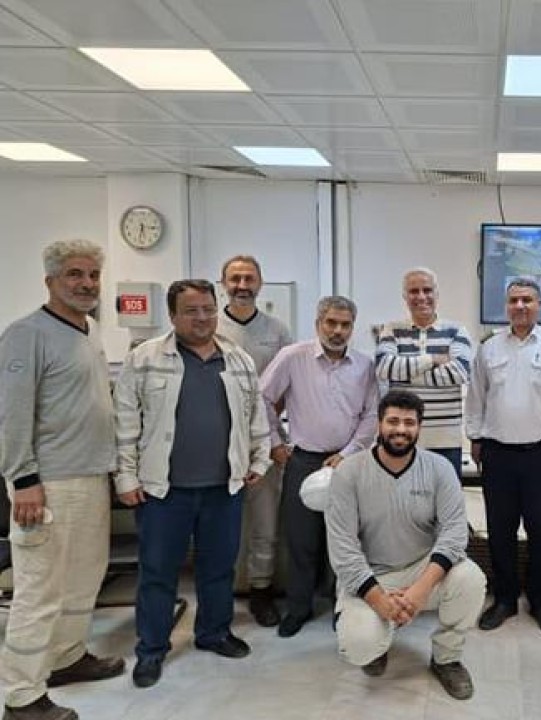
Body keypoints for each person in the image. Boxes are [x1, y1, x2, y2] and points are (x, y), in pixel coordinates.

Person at [114, 279, 270, 689]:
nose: (202, 318)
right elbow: (125, 424)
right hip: (163, 491)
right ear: (172, 315)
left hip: (224, 487)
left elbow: (256, 417)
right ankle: (151, 649)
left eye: (208, 309)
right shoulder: (144, 358)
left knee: (218, 568)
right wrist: (125, 477)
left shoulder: (238, 359)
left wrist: (260, 459)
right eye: (191, 311)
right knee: (158, 572)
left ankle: (214, 632)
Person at [0, 240, 123, 720]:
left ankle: (66, 659)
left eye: (93, 275)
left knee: (83, 579)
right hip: (47, 484)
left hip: (90, 476)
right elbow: (10, 414)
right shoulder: (26, 334)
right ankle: (21, 696)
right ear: (50, 280)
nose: (86, 284)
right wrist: (23, 479)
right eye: (74, 274)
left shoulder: (89, 330)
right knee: (39, 590)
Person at [325, 390, 486, 700]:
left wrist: (420, 590)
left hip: (422, 570)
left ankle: (447, 658)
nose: (400, 429)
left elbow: (454, 534)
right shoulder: (349, 472)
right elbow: (343, 549)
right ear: (379, 424)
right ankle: (378, 640)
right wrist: (378, 599)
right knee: (359, 647)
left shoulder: (439, 468)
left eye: (409, 423)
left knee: (471, 578)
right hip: (370, 574)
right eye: (393, 421)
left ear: (419, 427)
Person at [466, 277, 541, 636]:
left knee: (540, 532)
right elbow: (476, 398)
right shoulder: (488, 347)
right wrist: (475, 437)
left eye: (527, 300)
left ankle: (540, 601)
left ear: (539, 305)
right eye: (514, 300)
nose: (520, 306)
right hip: (498, 454)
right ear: (506, 306)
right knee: (499, 530)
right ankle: (504, 599)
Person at [260, 295, 378, 638]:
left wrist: (349, 452)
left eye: (345, 325)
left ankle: (344, 608)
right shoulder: (293, 357)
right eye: (331, 323)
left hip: (350, 462)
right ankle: (298, 608)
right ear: (318, 324)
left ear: (352, 328)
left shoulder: (364, 365)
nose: (337, 331)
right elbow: (261, 398)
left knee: (346, 540)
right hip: (305, 461)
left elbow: (372, 413)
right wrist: (275, 442)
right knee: (301, 539)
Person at [216, 255, 293, 628]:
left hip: (265, 440)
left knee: (265, 521)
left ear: (260, 283)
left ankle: (261, 589)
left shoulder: (277, 331)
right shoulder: (210, 327)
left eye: (249, 278)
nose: (242, 285)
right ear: (223, 284)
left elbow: (287, 388)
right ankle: (221, 592)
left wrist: (272, 435)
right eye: (235, 278)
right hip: (216, 441)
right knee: (219, 523)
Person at [375, 267, 473, 478]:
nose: (421, 297)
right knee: (398, 498)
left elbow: (460, 373)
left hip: (445, 441)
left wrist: (404, 375)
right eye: (414, 291)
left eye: (427, 290)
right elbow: (384, 368)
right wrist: (433, 360)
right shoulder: (391, 329)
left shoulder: (457, 330)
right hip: (401, 438)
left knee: (445, 498)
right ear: (405, 296)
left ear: (437, 294)